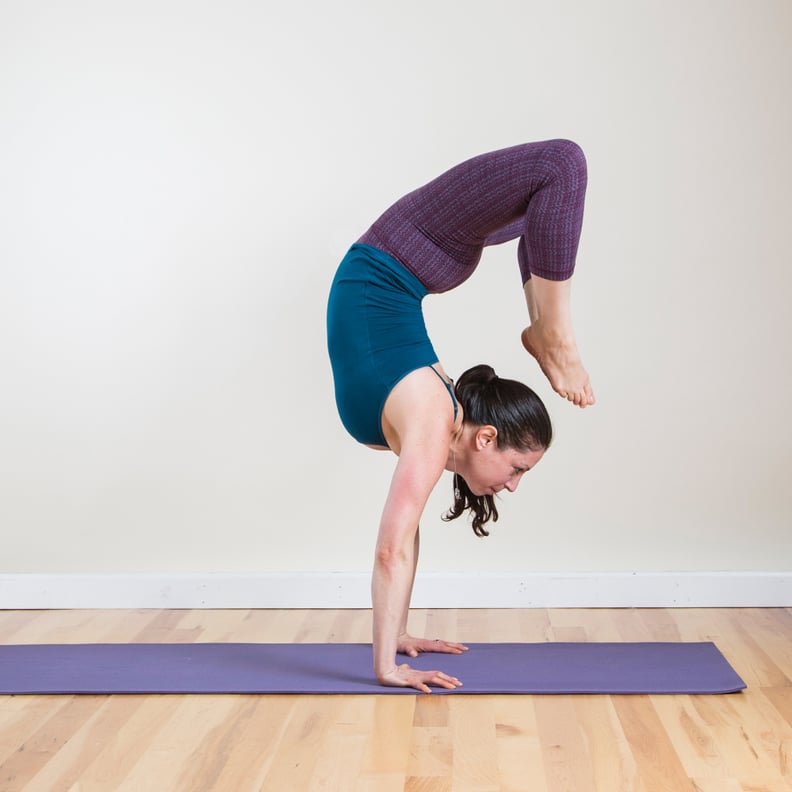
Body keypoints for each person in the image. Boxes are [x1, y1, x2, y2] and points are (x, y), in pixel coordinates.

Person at [326, 139, 594, 693]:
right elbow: (388, 547)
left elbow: (405, 534)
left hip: (397, 265)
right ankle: (551, 331)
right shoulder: (432, 416)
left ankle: (544, 327)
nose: (514, 485)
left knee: (536, 209)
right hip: (400, 254)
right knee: (561, 164)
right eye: (518, 467)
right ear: (486, 437)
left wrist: (396, 633)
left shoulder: (436, 418)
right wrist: (385, 668)